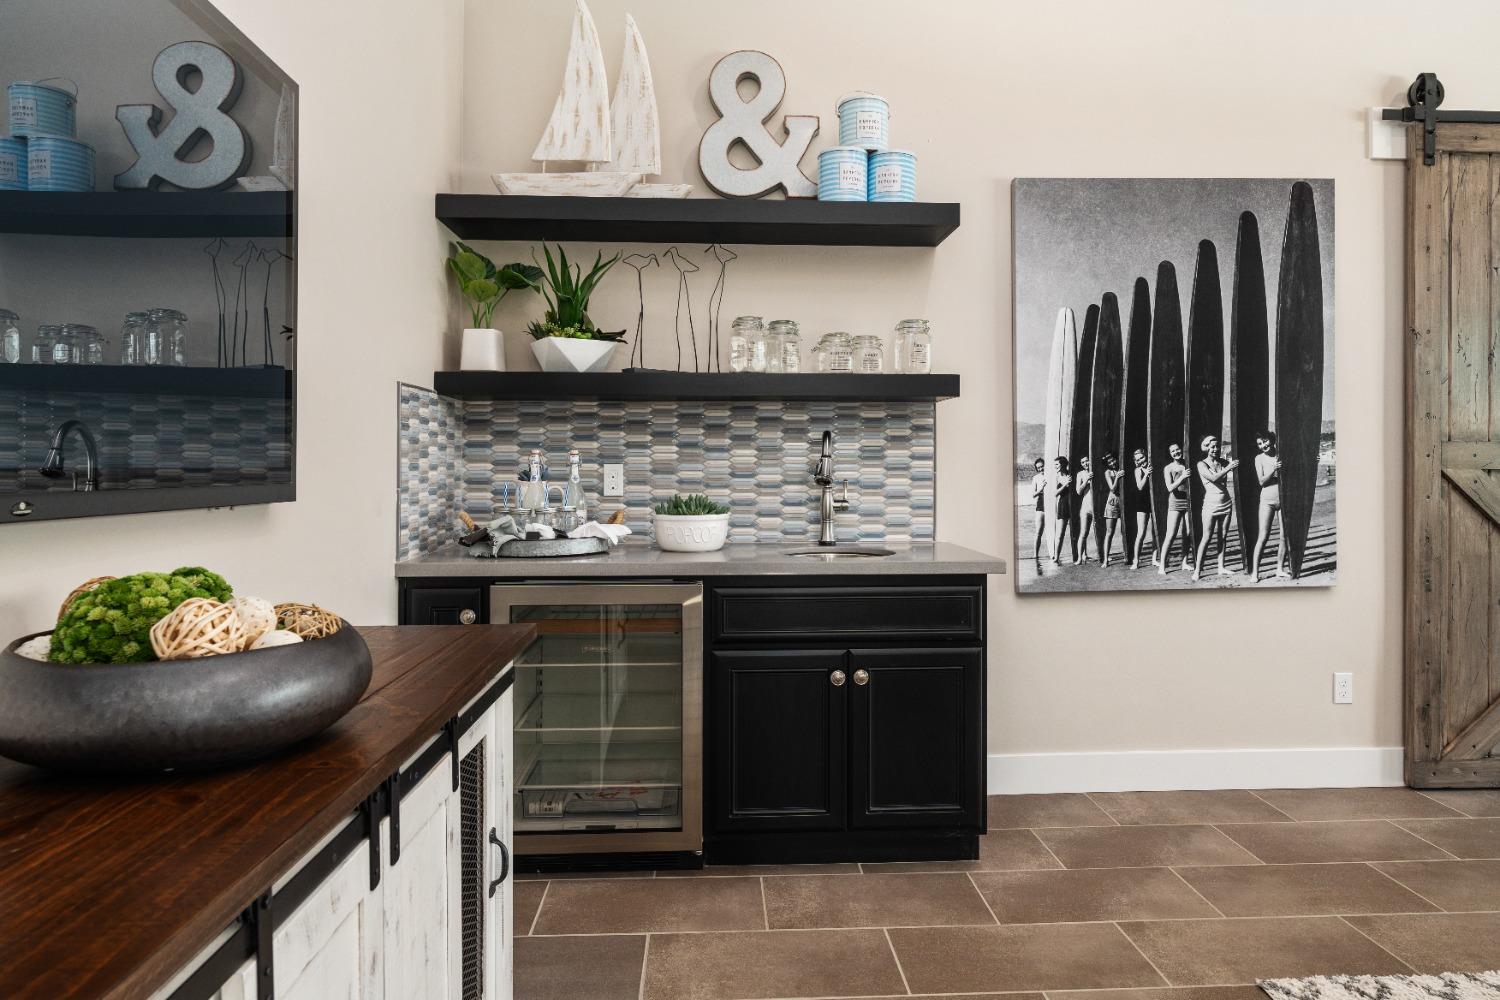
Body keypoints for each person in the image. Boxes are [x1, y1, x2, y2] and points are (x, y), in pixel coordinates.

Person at [1192, 435, 1239, 581]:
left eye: (1217, 446)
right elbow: (1213, 478)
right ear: (1206, 448)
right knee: (1206, 537)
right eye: (1212, 447)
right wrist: (1229, 467)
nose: (1215, 449)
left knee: (1223, 536)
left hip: (1226, 502)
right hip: (1211, 504)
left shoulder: (1223, 462)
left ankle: (1221, 567)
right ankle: (1197, 570)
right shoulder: (1201, 464)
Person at [1250, 430, 1289, 580]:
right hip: (1267, 501)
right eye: (1259, 443)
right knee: (1263, 536)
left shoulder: (1281, 454)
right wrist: (1274, 469)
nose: (1263, 445)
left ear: (1271, 440)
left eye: (1265, 441)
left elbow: (1297, 467)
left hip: (1283, 499)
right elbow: (1261, 481)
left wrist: (1315, 460)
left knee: (1284, 536)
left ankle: (1280, 568)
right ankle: (1255, 573)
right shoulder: (1258, 458)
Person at [1158, 443, 1194, 575]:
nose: (1176, 452)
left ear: (1181, 449)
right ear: (1170, 454)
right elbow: (1169, 488)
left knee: (1188, 533)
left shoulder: (1187, 464)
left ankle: (1184, 562)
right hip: (1175, 502)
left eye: (1177, 449)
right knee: (1171, 534)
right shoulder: (1168, 468)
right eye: (1172, 451)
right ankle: (1162, 565)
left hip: (1188, 502)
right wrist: (1183, 477)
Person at [1130, 448, 1154, 569]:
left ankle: (1155, 558)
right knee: (1141, 532)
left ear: (1146, 456)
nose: (1141, 461)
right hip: (1142, 502)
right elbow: (1139, 486)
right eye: (1138, 459)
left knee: (1156, 532)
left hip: (1153, 501)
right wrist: (1147, 474)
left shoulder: (1152, 467)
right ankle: (1136, 560)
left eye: (1142, 457)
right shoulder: (1138, 470)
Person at [1101, 452, 1124, 567]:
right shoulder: (1108, 472)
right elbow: (1112, 488)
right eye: (1109, 462)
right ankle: (1105, 559)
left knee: (1124, 531)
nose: (1112, 463)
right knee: (1109, 532)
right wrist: (1118, 477)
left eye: (1113, 460)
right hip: (1112, 503)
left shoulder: (1121, 468)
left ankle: (1127, 555)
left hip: (1123, 502)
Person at [1051, 456, 1073, 565]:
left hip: (1073, 504)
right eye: (1055, 465)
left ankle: (1083, 554)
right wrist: (1065, 484)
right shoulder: (1057, 477)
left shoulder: (1070, 473)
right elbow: (1055, 493)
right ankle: (1056, 557)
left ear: (1063, 464)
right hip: (1063, 504)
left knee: (1076, 531)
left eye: (1057, 464)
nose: (1055, 467)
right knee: (1060, 533)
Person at [1074, 455, 1094, 564]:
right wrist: (1086, 480)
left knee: (1099, 532)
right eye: (1083, 462)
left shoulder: (1096, 470)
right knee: (1083, 532)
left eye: (1087, 461)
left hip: (1096, 507)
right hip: (1086, 507)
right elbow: (1078, 491)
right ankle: (1079, 558)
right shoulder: (1080, 474)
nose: (1086, 463)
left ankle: (1102, 555)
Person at [1030, 457, 1047, 573]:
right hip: (1041, 505)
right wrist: (1041, 488)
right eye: (1038, 467)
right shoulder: (1036, 478)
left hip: (1052, 504)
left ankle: (1054, 554)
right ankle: (1035, 554)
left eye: (1042, 466)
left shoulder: (1051, 473)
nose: (1041, 468)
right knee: (1038, 532)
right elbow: (1033, 495)